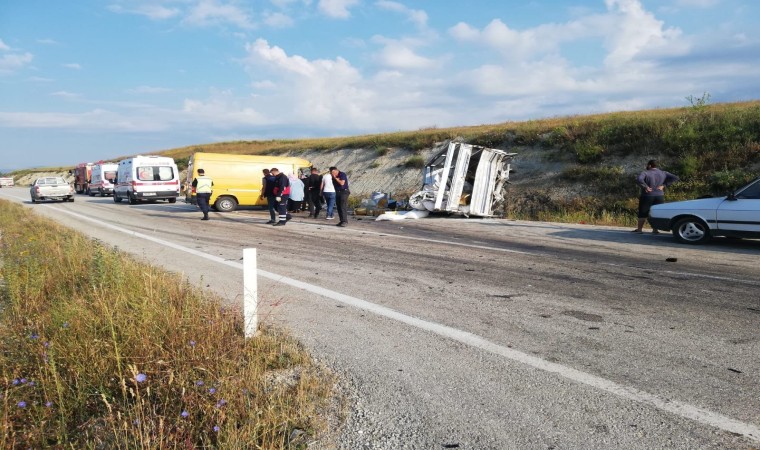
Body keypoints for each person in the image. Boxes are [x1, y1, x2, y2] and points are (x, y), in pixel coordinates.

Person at [633, 159, 679, 233]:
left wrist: (645, 187)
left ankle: (639, 229)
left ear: (649, 165)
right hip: (659, 195)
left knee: (643, 212)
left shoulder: (645, 172)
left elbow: (639, 179)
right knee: (656, 212)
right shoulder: (663, 173)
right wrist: (664, 185)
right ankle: (655, 229)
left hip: (647, 195)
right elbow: (675, 177)